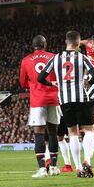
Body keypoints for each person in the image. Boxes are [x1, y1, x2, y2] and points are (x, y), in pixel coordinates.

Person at [38, 30, 94, 178]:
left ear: (66, 42)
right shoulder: (82, 57)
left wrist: (52, 83)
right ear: (78, 43)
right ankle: (87, 160)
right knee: (90, 130)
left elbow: (40, 77)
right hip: (81, 98)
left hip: (64, 100)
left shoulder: (55, 58)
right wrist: (86, 82)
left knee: (72, 133)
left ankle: (79, 168)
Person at [20, 35, 60, 178]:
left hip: (38, 99)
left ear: (33, 46)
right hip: (53, 97)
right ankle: (54, 167)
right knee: (53, 132)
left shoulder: (25, 60)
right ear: (45, 44)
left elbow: (23, 83)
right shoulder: (55, 57)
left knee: (39, 132)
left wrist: (34, 85)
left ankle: (42, 169)